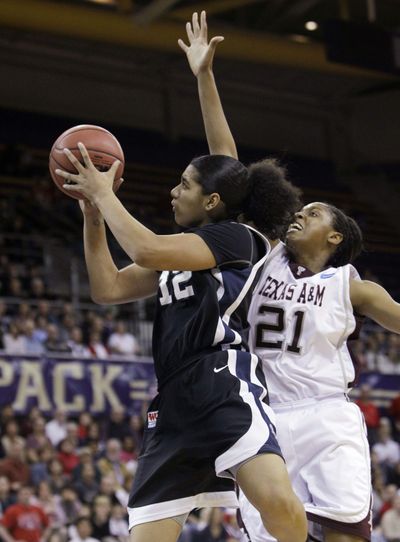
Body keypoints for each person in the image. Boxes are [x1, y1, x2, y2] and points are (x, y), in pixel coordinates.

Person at [179, 11, 400, 542]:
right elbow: (225, 166)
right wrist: (204, 76)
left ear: (336, 238)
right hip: (265, 418)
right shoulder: (266, 253)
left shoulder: (352, 286)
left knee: (347, 534)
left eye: (317, 212)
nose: (303, 212)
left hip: (328, 417)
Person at [55, 144, 307, 542]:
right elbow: (108, 287)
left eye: (184, 184)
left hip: (221, 382)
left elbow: (145, 248)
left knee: (278, 503)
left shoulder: (240, 239)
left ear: (212, 200)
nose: (173, 191)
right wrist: (93, 217)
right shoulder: (183, 251)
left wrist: (104, 193)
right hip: (172, 402)